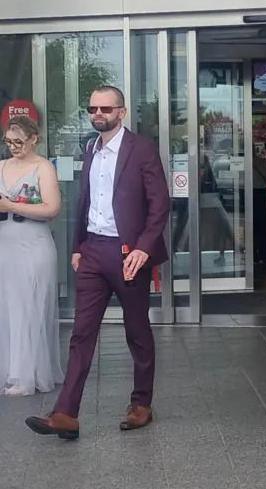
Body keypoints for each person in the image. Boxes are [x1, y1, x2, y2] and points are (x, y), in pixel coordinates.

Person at [25, 85, 169, 440]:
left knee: (137, 332)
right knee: (81, 333)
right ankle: (66, 413)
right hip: (92, 252)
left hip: (128, 254)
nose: (98, 114)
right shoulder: (90, 148)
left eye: (105, 108)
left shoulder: (142, 149)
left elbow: (160, 204)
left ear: (121, 112)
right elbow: (85, 199)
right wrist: (78, 246)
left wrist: (143, 249)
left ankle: (141, 405)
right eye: (92, 109)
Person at [0, 116, 64, 397]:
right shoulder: (1, 166)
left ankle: (28, 374)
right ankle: (10, 369)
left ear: (33, 139)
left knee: (31, 306)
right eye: (8, 141)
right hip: (5, 243)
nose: (13, 147)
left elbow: (51, 209)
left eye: (19, 141)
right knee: (8, 307)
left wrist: (11, 205)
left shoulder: (43, 167)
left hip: (34, 243)